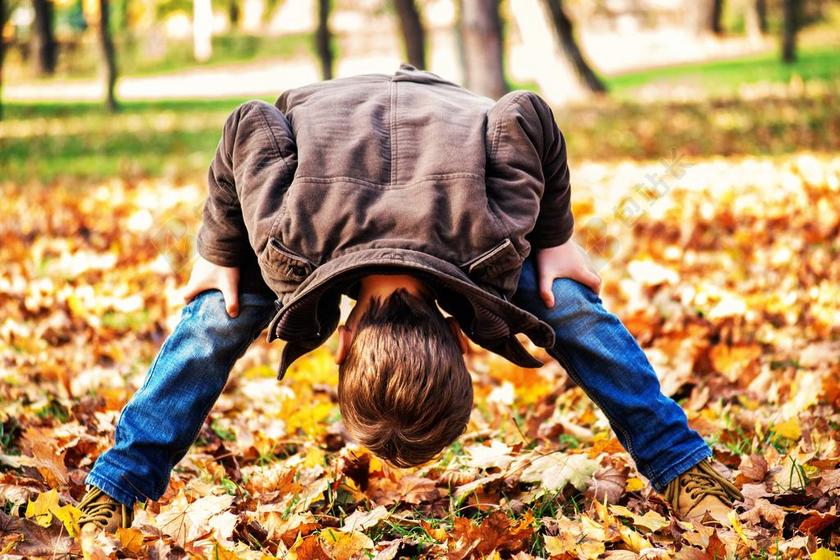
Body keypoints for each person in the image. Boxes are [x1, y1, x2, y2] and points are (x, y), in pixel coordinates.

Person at [77, 64, 741, 532]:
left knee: (559, 295)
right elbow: (247, 125)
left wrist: (556, 243)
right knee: (217, 310)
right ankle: (119, 485)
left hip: (433, 119)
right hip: (346, 134)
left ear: (452, 336)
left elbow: (525, 114)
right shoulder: (292, 243)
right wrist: (216, 255)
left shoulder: (488, 241)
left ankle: (681, 465)